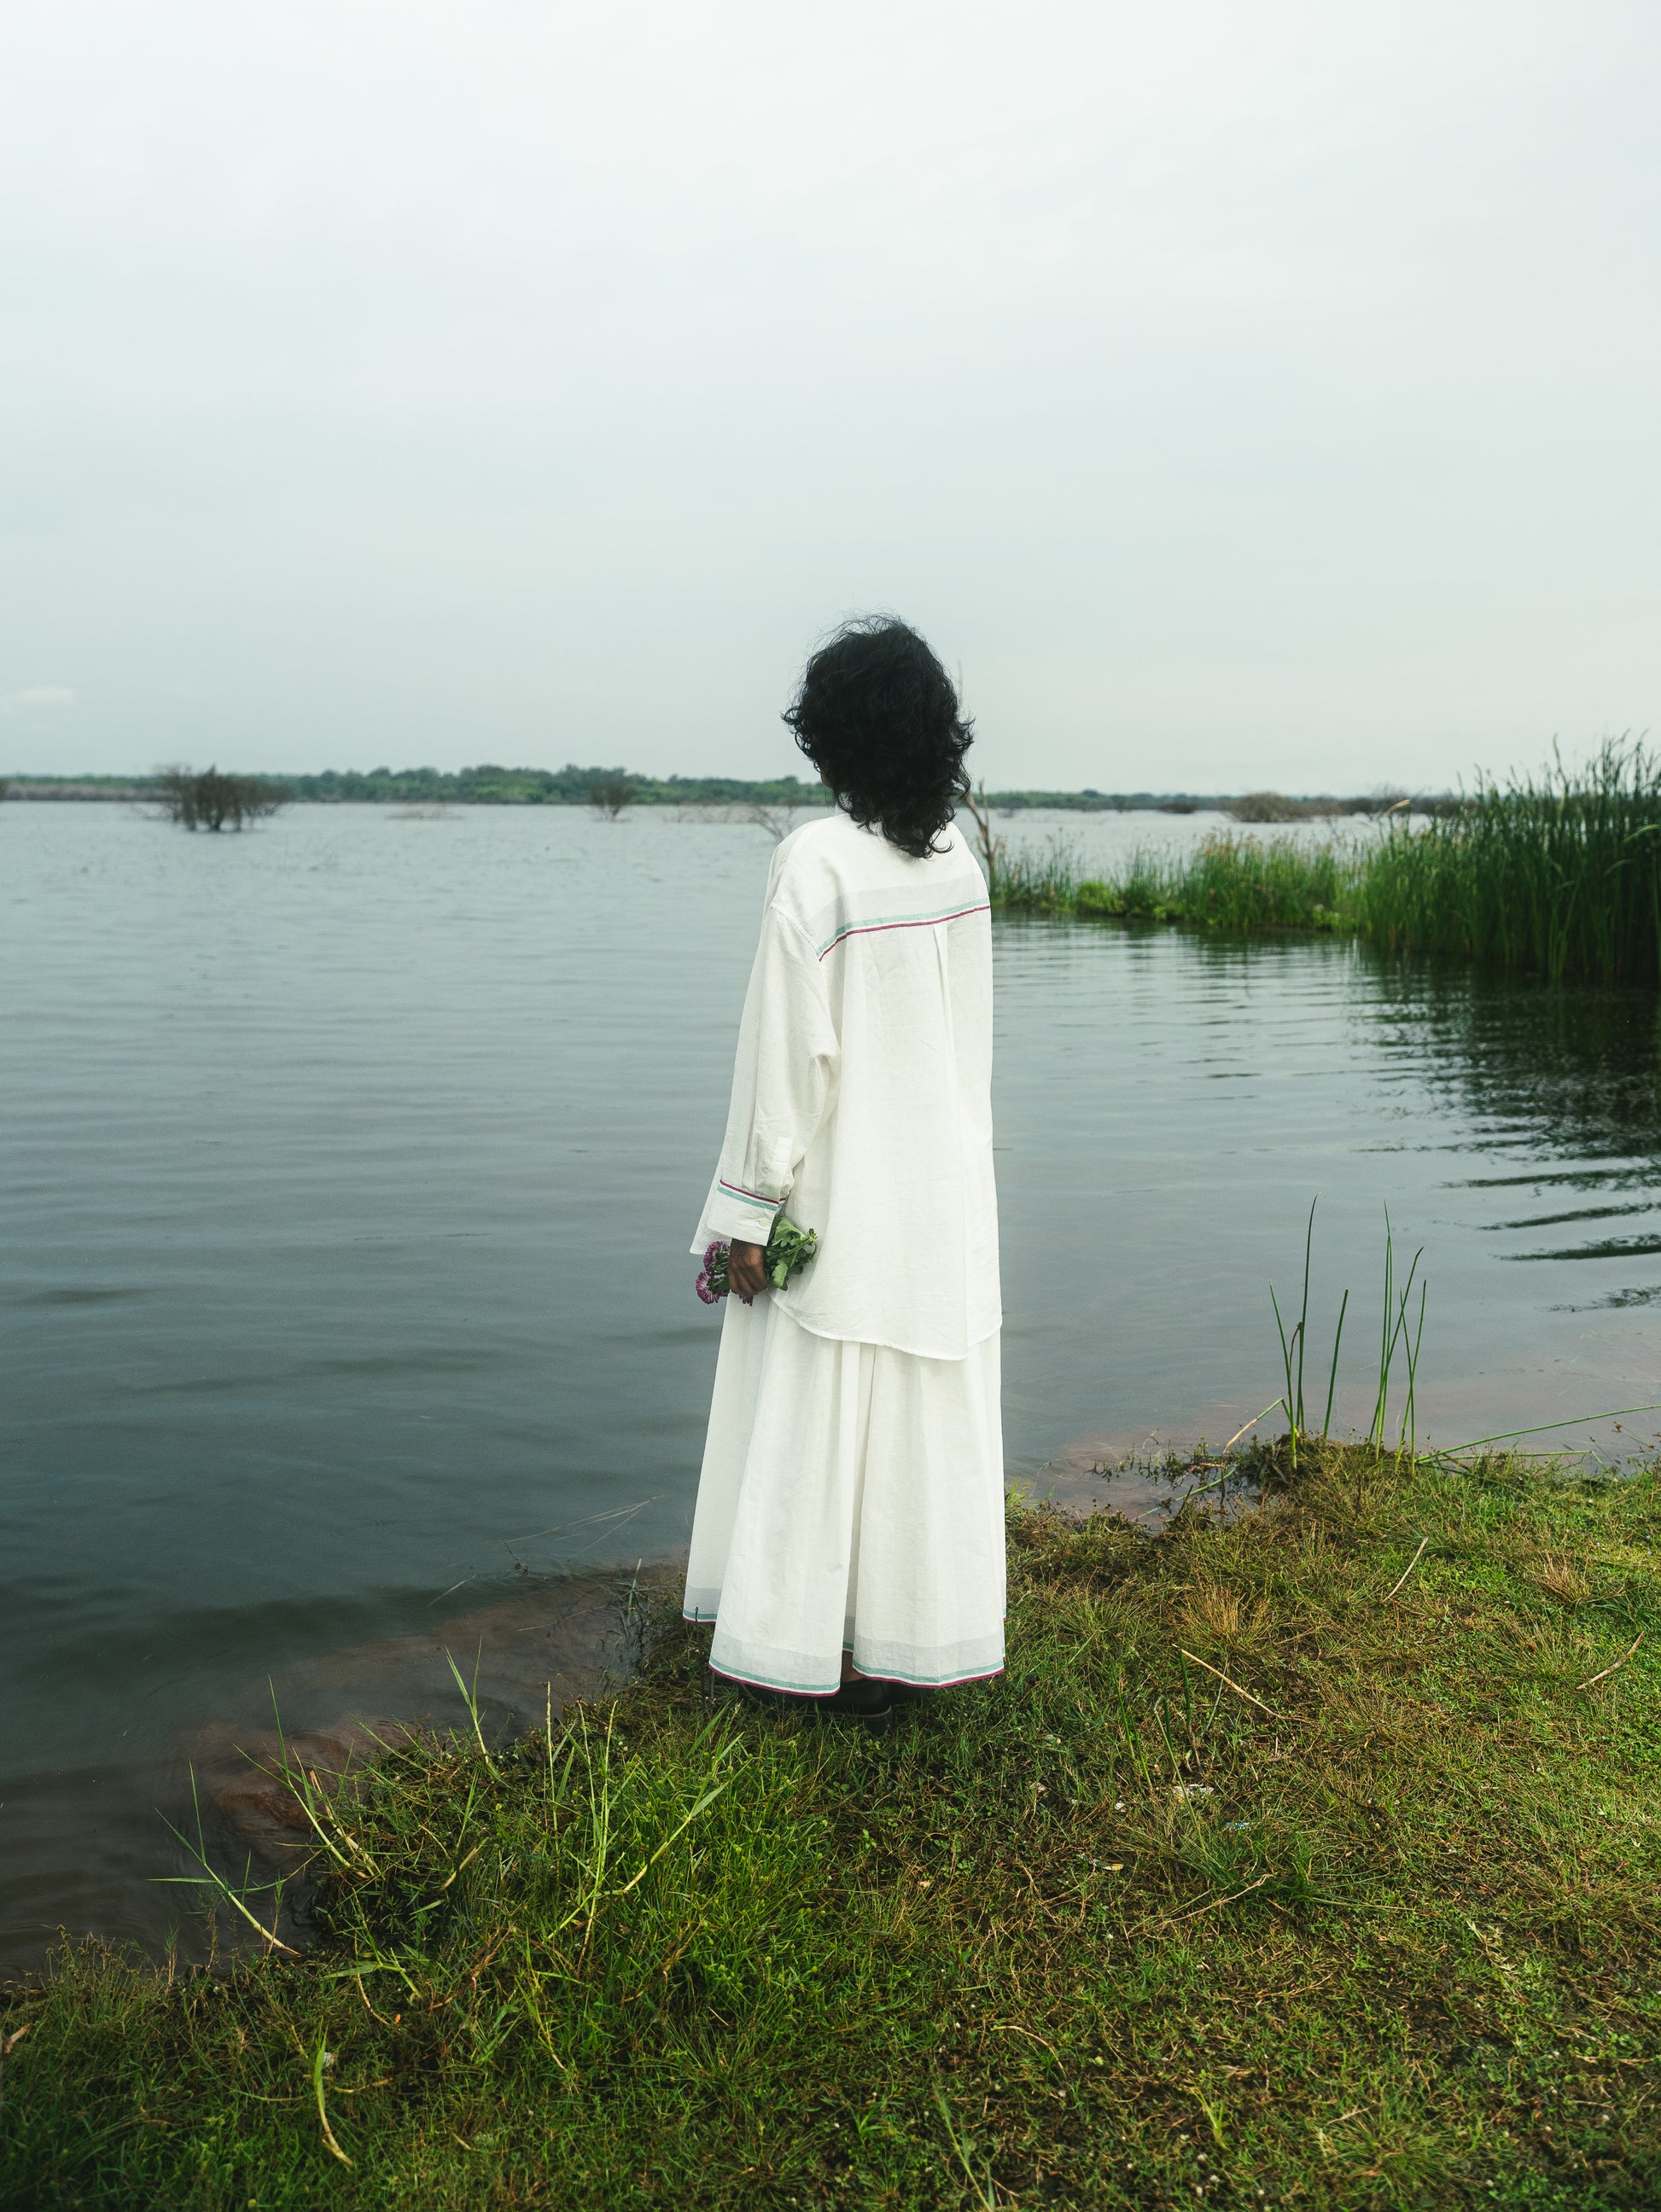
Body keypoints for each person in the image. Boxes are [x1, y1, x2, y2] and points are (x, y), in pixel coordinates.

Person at [683, 617, 1004, 1731]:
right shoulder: (954, 854)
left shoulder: (816, 860)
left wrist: (748, 1217)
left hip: (846, 1185)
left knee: (817, 1411)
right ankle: (909, 1644)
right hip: (944, 1190)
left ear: (831, 739)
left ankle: (795, 1651)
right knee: (918, 1409)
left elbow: (787, 1064)